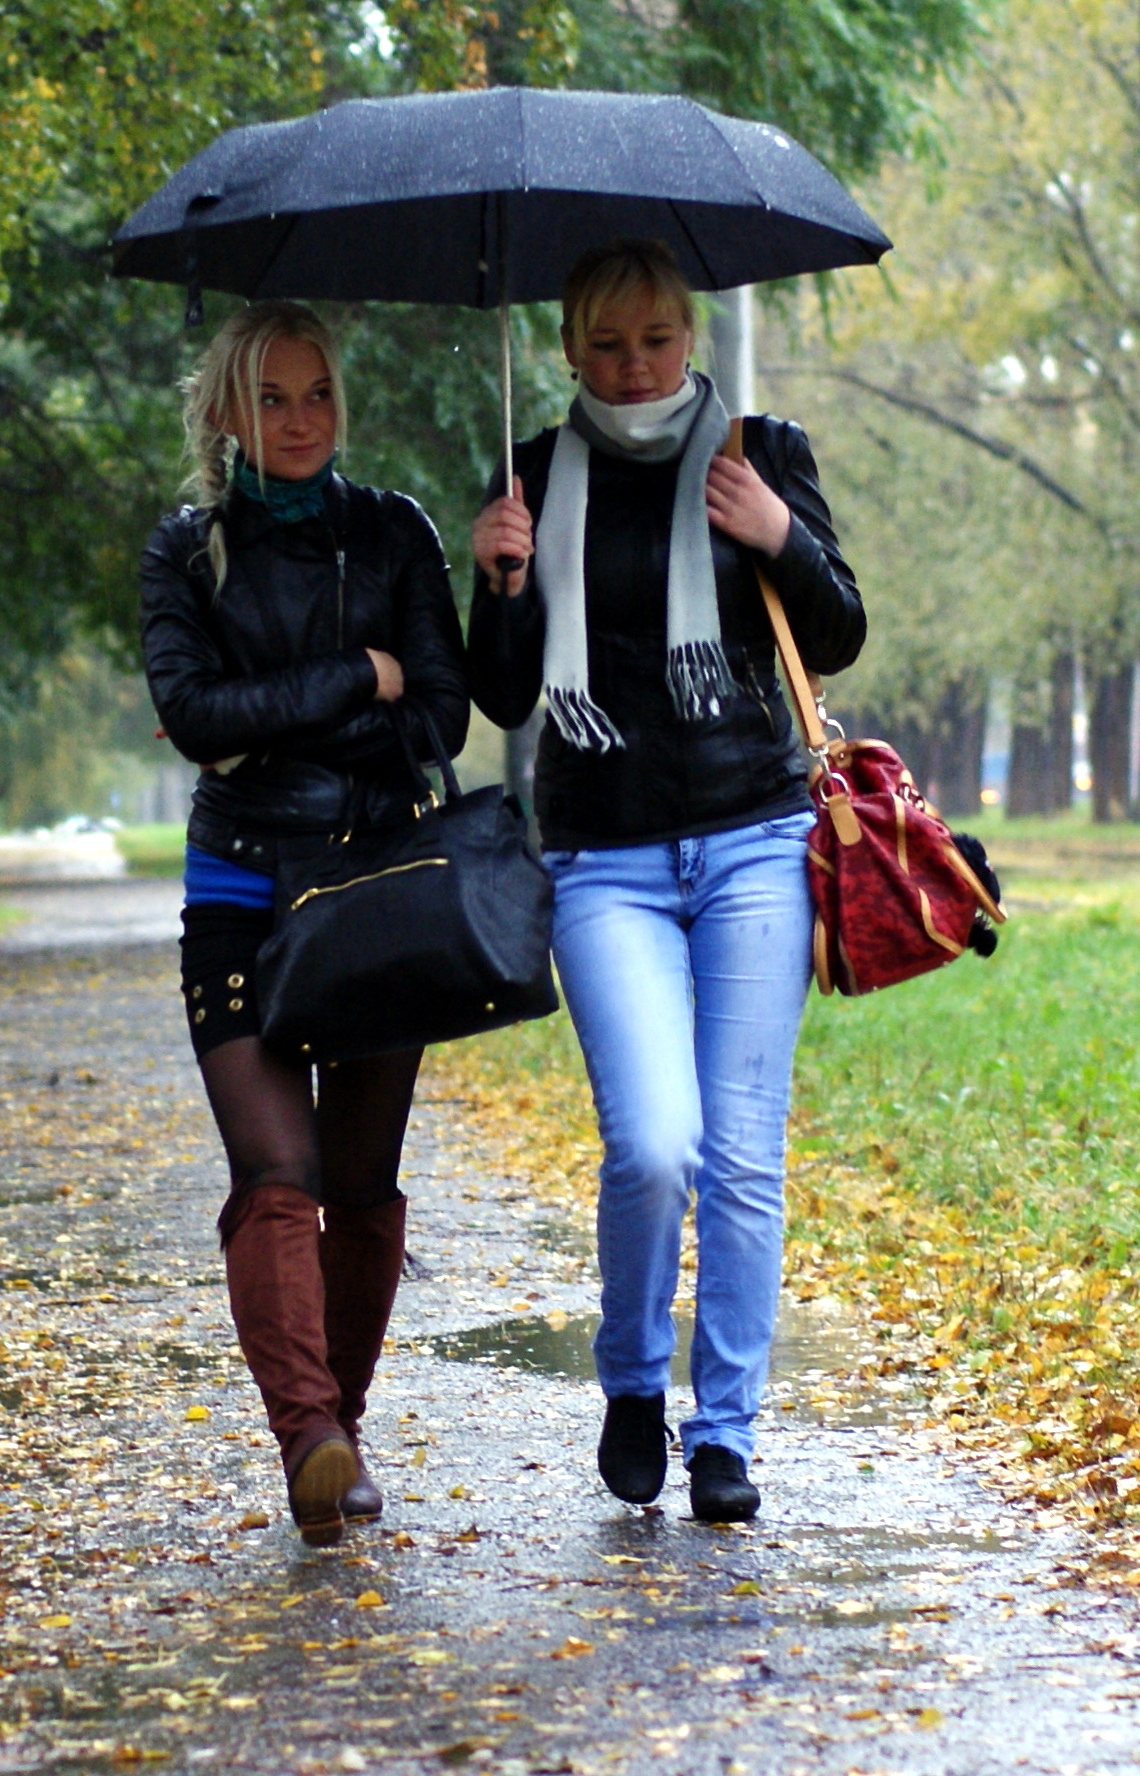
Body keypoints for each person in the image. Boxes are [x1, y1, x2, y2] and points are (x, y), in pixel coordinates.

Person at [466, 239, 865, 1523]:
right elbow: (503, 695)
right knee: (649, 1145)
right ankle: (633, 1382)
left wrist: (779, 534)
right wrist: (499, 583)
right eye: (604, 344)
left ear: (686, 335)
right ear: (569, 348)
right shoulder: (529, 475)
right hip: (603, 858)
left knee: (741, 1156)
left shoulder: (761, 450)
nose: (632, 365)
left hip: (752, 836)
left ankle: (725, 1434)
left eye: (653, 339)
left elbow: (842, 626)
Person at [139, 300, 471, 1546]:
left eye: (317, 393)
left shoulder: (395, 534)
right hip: (237, 885)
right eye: (271, 398)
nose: (298, 420)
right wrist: (353, 678)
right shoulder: (185, 552)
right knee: (273, 1172)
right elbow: (194, 712)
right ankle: (311, 1442)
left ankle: (340, 1423)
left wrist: (286, 704)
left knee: (359, 1179)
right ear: (226, 410)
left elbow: (437, 712)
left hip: (377, 883)